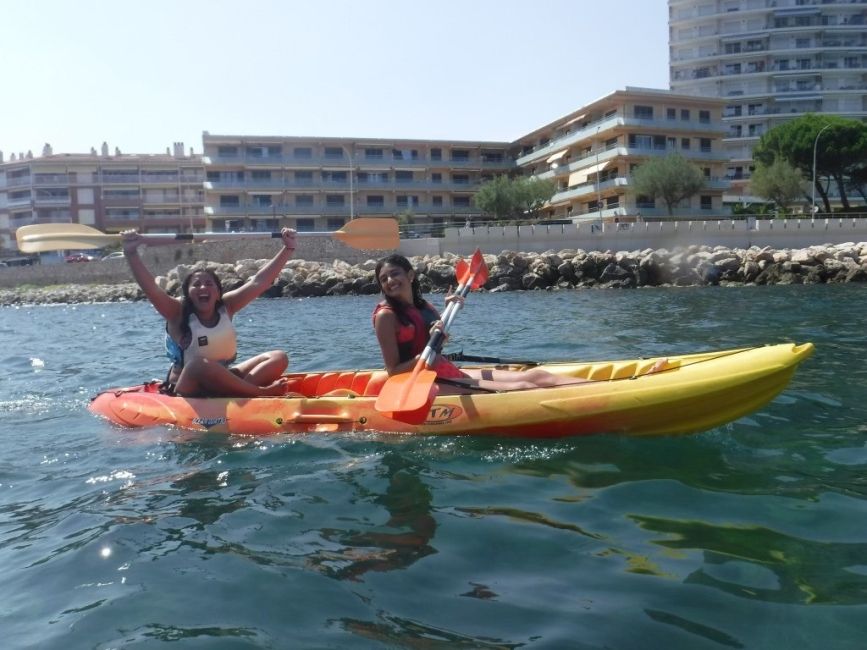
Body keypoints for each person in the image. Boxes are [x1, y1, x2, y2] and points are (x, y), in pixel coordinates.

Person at [372, 253, 591, 392]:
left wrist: (444, 320)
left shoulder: (424, 306)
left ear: (410, 275)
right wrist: (423, 357)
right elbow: (393, 371)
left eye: (395, 274)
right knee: (523, 386)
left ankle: (607, 389)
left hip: (441, 370)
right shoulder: (386, 317)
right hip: (419, 383)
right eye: (384, 279)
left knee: (536, 375)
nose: (390, 281)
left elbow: (434, 341)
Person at [121, 228, 297, 397]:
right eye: (196, 285)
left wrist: (288, 248)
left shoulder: (227, 306)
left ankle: (238, 393)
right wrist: (131, 253)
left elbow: (259, 282)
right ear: (188, 293)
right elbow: (151, 289)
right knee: (198, 365)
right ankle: (258, 393)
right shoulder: (176, 312)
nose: (203, 287)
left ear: (218, 292)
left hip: (220, 379)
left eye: (209, 284)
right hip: (188, 386)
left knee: (278, 358)